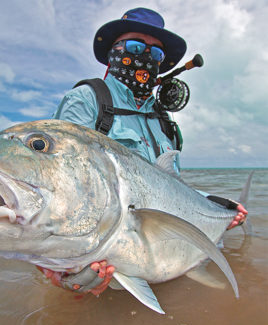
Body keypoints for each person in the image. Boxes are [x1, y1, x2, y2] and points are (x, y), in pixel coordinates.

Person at [39, 7, 247, 295]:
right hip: (104, 260)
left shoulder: (163, 119)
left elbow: (169, 190)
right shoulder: (87, 100)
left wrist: (215, 204)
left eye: (157, 54)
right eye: (136, 46)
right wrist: (53, 267)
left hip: (161, 256)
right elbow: (51, 185)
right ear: (115, 51)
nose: (146, 57)